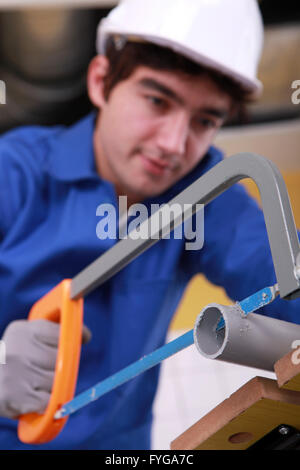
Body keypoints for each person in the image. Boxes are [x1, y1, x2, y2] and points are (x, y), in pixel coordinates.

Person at [0, 0, 299, 450]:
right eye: (158, 100)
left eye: (205, 120)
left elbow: (275, 270)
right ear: (101, 82)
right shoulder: (14, 172)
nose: (174, 144)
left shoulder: (206, 191)